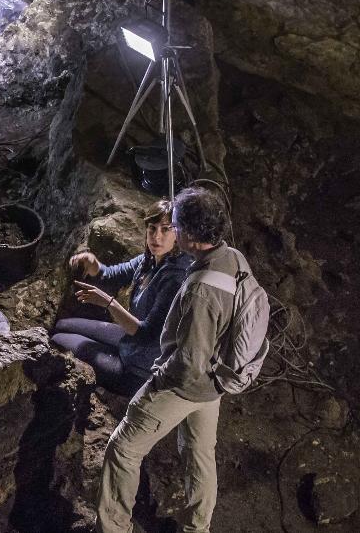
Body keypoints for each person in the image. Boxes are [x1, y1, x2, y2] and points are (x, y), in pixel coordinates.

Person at [98, 187, 249, 533]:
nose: (169, 232)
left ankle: (114, 528)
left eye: (175, 226)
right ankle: (198, 528)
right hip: (217, 379)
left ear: (191, 235)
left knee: (122, 449)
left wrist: (157, 382)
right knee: (199, 454)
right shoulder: (233, 258)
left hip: (188, 383)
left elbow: (189, 359)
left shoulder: (197, 289)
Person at [51, 201, 191, 395]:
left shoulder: (175, 279)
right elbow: (111, 275)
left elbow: (146, 334)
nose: (157, 236)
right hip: (128, 340)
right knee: (62, 325)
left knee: (58, 339)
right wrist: (93, 264)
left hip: (139, 369)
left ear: (177, 234)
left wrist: (109, 303)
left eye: (166, 230)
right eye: (152, 228)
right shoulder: (149, 260)